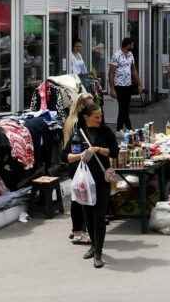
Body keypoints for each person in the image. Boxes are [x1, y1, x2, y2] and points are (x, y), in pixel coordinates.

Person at [63, 103, 117, 269]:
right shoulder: (78, 133)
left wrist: (97, 149)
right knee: (88, 216)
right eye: (96, 117)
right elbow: (65, 156)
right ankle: (93, 246)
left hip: (101, 180)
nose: (100, 119)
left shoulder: (105, 131)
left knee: (99, 217)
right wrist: (81, 155)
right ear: (86, 117)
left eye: (100, 116)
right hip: (84, 182)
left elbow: (114, 151)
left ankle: (99, 253)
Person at [62, 93, 95, 246]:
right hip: (77, 164)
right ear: (82, 106)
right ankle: (78, 232)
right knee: (80, 198)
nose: (93, 106)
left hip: (75, 163)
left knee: (79, 197)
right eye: (90, 104)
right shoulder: (77, 123)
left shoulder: (71, 119)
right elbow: (73, 149)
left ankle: (77, 228)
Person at [109, 38, 141, 132]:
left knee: (126, 108)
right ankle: (123, 129)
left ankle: (126, 128)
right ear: (127, 45)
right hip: (119, 85)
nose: (133, 46)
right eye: (132, 44)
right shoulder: (116, 55)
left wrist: (139, 84)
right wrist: (112, 88)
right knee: (122, 108)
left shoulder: (130, 55)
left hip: (128, 84)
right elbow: (111, 72)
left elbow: (133, 70)